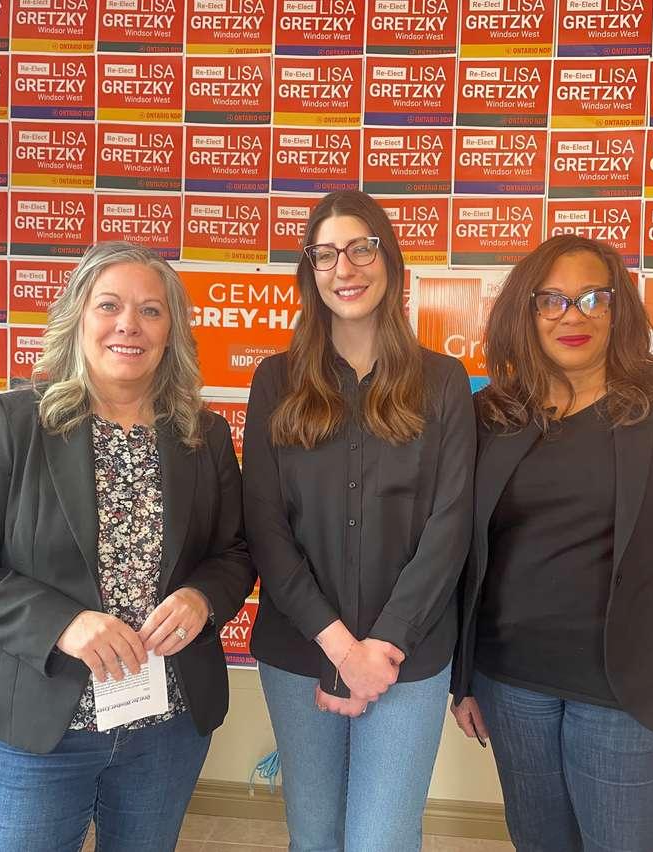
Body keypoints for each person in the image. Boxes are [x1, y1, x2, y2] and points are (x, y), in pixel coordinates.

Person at [0, 241, 255, 852]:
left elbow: (233, 553)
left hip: (167, 725)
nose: (129, 323)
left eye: (151, 311)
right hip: (43, 725)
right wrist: (63, 624)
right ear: (78, 317)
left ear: (171, 332)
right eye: (110, 305)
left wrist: (203, 599)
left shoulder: (202, 434)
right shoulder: (15, 422)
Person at [449, 236, 653, 852]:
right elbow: (470, 556)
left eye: (592, 297)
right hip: (513, 687)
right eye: (551, 300)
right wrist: (465, 678)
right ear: (526, 314)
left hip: (631, 699)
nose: (572, 315)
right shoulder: (494, 414)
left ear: (619, 308)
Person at [241, 190, 475, 852]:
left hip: (410, 657)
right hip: (299, 651)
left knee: (382, 840)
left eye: (361, 247)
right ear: (310, 274)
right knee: (314, 838)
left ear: (390, 259)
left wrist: (382, 647)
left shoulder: (443, 382)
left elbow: (449, 526)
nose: (345, 267)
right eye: (325, 254)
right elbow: (265, 526)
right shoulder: (276, 382)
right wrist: (341, 647)